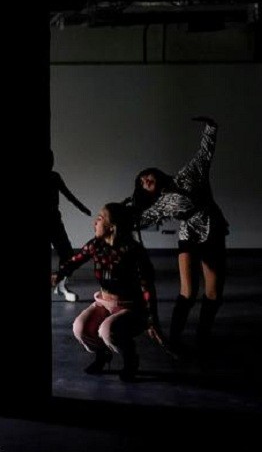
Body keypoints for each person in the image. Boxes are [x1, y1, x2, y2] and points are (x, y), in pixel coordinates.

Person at [128, 116, 229, 361]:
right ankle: (173, 338)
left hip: (212, 230)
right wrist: (114, 218)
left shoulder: (189, 173)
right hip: (188, 235)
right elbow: (138, 220)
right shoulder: (159, 205)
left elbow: (205, 152)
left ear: (156, 172)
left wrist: (210, 127)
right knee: (188, 290)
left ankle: (202, 338)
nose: (145, 180)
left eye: (146, 176)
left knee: (214, 292)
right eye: (142, 183)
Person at [52, 202, 165, 382]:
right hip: (104, 302)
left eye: (99, 219)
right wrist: (58, 275)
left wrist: (152, 319)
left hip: (129, 306)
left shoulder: (133, 251)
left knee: (107, 330)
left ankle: (130, 359)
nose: (94, 223)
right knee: (80, 328)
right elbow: (75, 260)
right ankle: (102, 355)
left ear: (112, 227)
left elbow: (147, 286)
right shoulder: (96, 245)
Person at [48, 151, 92, 302]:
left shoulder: (54, 176)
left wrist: (82, 208)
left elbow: (68, 194)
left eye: (51, 159)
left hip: (54, 220)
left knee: (67, 253)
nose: (50, 163)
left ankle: (60, 285)